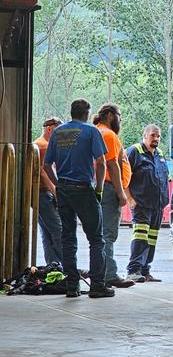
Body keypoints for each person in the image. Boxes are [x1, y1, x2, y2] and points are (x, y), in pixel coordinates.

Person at [43, 98, 114, 298]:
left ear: (72, 112)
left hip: (64, 189)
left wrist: (58, 186)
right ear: (87, 112)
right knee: (96, 239)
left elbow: (47, 166)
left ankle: (72, 286)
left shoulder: (57, 132)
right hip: (83, 189)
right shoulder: (92, 132)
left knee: (67, 238)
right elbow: (101, 162)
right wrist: (99, 188)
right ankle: (98, 285)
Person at [93, 104, 135, 289]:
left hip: (103, 188)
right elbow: (111, 165)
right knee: (107, 234)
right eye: (119, 116)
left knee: (100, 235)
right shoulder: (108, 135)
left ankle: (100, 273)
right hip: (109, 189)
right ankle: (109, 274)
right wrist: (120, 192)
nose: (120, 120)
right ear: (110, 115)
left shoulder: (96, 132)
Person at [125, 125, 170, 283]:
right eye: (152, 136)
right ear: (144, 136)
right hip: (141, 204)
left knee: (151, 239)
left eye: (158, 136)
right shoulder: (134, 152)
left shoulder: (160, 154)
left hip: (157, 205)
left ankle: (145, 270)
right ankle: (133, 270)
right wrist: (130, 199)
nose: (156, 139)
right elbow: (124, 177)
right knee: (140, 238)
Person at [34, 117, 63, 266]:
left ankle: (53, 266)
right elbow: (43, 172)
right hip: (44, 193)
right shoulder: (43, 146)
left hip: (40, 194)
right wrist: (56, 192)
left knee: (47, 232)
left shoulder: (39, 144)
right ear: (50, 129)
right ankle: (69, 266)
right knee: (59, 230)